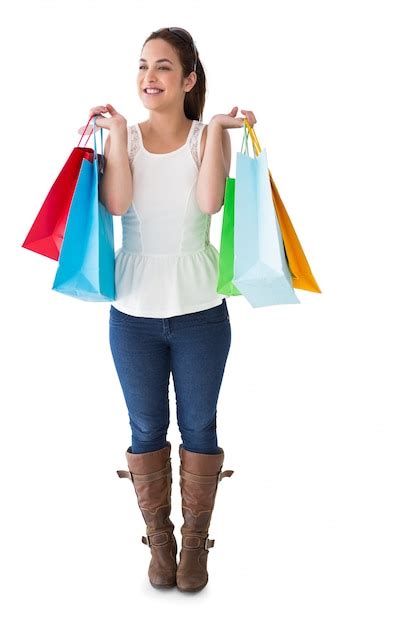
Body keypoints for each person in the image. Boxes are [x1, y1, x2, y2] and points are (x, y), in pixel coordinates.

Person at [85, 26, 257, 593]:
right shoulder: (125, 138)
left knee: (200, 425)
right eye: (142, 66)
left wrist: (215, 133)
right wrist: (113, 136)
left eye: (162, 67)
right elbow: (116, 205)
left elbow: (210, 204)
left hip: (201, 310)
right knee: (144, 426)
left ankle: (196, 546)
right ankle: (162, 543)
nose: (148, 77)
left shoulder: (207, 137)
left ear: (189, 79)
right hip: (132, 312)